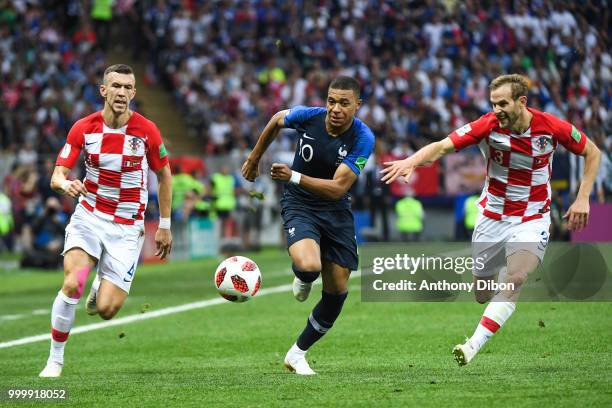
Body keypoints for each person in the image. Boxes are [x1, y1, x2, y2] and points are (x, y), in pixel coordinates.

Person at [381, 74, 601, 366]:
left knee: (516, 278)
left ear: (522, 102)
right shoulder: (487, 125)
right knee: (482, 294)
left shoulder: (551, 126)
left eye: (502, 103)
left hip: (532, 217)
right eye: (493, 103)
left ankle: (472, 345)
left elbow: (592, 152)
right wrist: (411, 161)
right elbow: (443, 146)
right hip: (491, 218)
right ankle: (498, 281)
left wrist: (583, 197)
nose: (496, 109)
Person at [39, 64, 173, 378]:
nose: (122, 93)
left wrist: (165, 225)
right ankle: (55, 360)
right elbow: (58, 173)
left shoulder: (147, 131)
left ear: (134, 93)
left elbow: (164, 174)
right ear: (103, 90)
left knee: (107, 311)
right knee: (72, 283)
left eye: (128, 87)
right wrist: (65, 183)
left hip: (127, 227)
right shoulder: (83, 128)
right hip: (90, 215)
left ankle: (100, 284)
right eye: (116, 86)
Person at [241, 76, 375, 375]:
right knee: (309, 266)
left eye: (344, 103)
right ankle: (303, 275)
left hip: (336, 210)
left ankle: (297, 353)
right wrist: (255, 157)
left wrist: (293, 176)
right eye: (331, 100)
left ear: (357, 105)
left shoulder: (362, 138)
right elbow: (277, 119)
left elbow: (339, 188)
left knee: (338, 290)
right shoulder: (310, 117)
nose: (335, 108)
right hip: (300, 204)